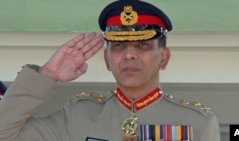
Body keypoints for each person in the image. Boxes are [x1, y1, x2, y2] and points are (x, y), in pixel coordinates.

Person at [0, 0, 221, 141]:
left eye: (142, 45)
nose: (129, 54)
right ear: (107, 59)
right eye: (119, 45)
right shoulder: (77, 116)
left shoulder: (197, 123)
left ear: (163, 57)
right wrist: (47, 75)